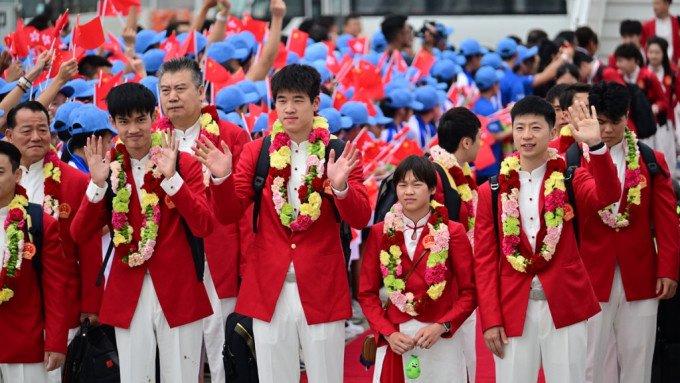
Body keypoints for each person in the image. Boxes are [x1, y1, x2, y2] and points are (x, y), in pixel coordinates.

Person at [197, 64, 371, 383]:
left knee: (326, 376)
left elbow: (361, 217)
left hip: (321, 285)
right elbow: (227, 213)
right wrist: (221, 177)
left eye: (298, 100)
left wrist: (342, 187)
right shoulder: (258, 150)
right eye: (281, 100)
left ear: (315, 103)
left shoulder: (337, 152)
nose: (289, 108)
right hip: (269, 288)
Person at [71, 83, 213, 383]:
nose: (133, 129)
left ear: (154, 116)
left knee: (183, 377)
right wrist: (96, 185)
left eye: (140, 119)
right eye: (124, 121)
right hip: (127, 290)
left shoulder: (182, 161)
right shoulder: (108, 169)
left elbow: (204, 225)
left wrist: (173, 179)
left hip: (179, 288)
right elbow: (79, 233)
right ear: (113, 123)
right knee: (135, 377)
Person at [474, 95, 621, 382]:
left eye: (535, 128)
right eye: (520, 128)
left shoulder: (570, 177)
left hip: (565, 304)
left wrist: (596, 146)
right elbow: (484, 259)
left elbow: (608, 195)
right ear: (512, 133)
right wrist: (490, 319)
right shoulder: (490, 189)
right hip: (513, 308)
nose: (527, 136)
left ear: (553, 132)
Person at [155, 57, 250, 383]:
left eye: (181, 88)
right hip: (168, 259)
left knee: (223, 344)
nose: (173, 97)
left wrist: (246, 264)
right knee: (177, 352)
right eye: (165, 90)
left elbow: (244, 206)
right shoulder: (149, 142)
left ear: (201, 90)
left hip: (218, 256)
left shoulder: (230, 137)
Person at [581, 82, 679, 383]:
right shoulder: (573, 158)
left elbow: (666, 221)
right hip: (591, 276)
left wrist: (669, 269)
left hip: (641, 275)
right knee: (590, 363)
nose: (607, 130)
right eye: (600, 122)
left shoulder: (651, 158)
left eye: (615, 121)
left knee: (638, 357)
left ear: (627, 116)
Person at [359, 155, 476, 383]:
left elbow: (470, 292)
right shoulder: (380, 232)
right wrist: (388, 332)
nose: (408, 191)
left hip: (441, 339)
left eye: (416, 184)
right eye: (402, 185)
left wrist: (442, 325)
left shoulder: (453, 232)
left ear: (432, 189)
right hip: (398, 338)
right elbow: (366, 293)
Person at [4, 101, 102, 371]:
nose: (36, 137)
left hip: (60, 304)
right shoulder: (2, 180)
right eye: (27, 130)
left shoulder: (75, 181)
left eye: (42, 129)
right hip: (9, 303)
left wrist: (91, 304)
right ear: (9, 136)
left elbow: (90, 245)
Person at [0, 141, 70, 383]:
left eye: (0, 172)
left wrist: (56, 341)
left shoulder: (39, 221)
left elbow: (56, 288)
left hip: (25, 341)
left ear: (17, 175)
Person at [428, 107, 482, 382]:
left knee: (465, 356)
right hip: (440, 281)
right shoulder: (435, 174)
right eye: (479, 138)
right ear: (466, 142)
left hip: (461, 278)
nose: (482, 144)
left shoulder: (461, 171)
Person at [646, 36, 679, 175]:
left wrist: (669, 105)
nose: (653, 55)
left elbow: (677, 95)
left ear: (664, 53)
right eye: (651, 52)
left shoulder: (671, 73)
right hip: (646, 123)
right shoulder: (643, 73)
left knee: (666, 157)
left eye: (657, 52)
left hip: (665, 123)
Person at [472, 66, 511, 183]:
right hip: (488, 164)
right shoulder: (487, 109)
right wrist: (517, 128)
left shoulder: (478, 103)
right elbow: (497, 135)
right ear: (494, 85)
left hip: (482, 161)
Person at [642, 0, 680, 65]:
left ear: (667, 4)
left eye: (657, 3)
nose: (654, 7)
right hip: (655, 67)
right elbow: (643, 47)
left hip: (676, 66)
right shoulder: (647, 26)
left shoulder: (678, 23)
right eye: (653, 4)